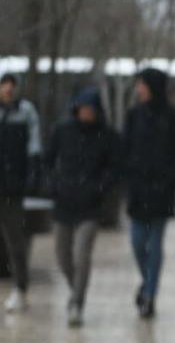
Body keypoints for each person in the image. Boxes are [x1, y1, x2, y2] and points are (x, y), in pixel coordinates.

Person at [44, 88, 121, 326]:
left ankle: (77, 303)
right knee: (62, 255)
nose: (87, 114)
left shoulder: (106, 136)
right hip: (64, 202)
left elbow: (114, 168)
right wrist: (53, 185)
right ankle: (75, 288)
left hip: (90, 206)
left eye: (91, 110)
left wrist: (99, 188)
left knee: (82, 254)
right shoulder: (62, 130)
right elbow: (47, 161)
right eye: (84, 109)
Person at [124, 68, 175, 318]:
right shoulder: (134, 115)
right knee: (137, 242)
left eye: (141, 84)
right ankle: (147, 281)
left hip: (162, 192)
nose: (138, 89)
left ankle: (150, 295)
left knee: (154, 245)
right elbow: (125, 147)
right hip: (137, 190)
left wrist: (169, 175)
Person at [0, 73, 42, 313]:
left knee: (15, 242)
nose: (7, 90)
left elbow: (34, 146)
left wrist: (31, 175)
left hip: (11, 189)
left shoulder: (25, 113)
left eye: (10, 86)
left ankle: (20, 288)